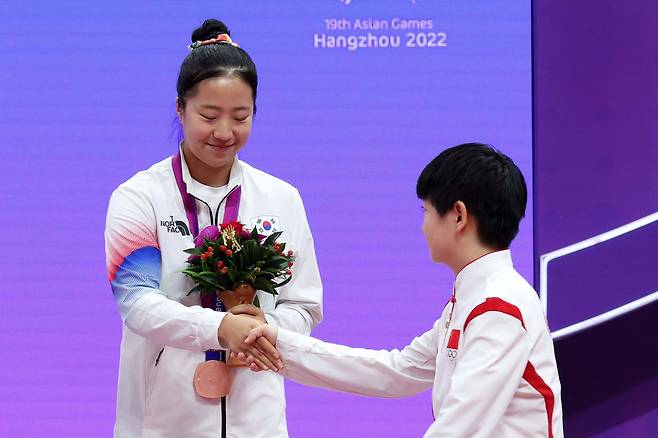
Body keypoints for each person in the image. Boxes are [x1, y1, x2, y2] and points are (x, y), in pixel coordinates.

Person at [243, 143, 563, 437]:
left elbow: (458, 430)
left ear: (459, 216)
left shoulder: (499, 307)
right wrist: (277, 341)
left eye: (425, 211)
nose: (422, 226)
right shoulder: (472, 300)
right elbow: (395, 371)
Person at [104, 18, 322, 438]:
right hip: (163, 420)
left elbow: (305, 306)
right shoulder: (139, 197)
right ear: (180, 108)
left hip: (257, 417)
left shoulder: (282, 198)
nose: (225, 132)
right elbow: (136, 302)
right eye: (209, 115)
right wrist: (219, 328)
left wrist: (265, 329)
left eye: (240, 117)